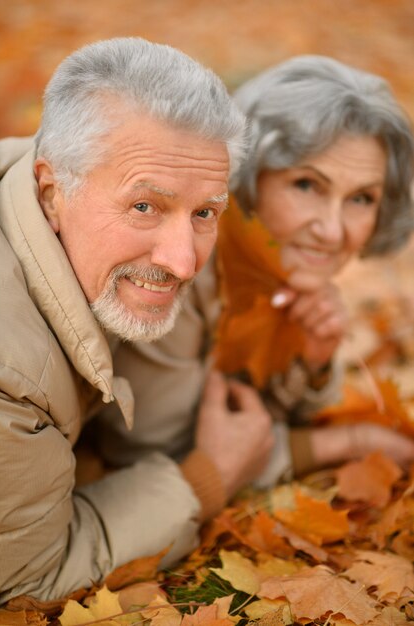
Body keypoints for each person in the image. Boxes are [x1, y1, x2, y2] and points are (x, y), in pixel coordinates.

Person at [0, 37, 278, 604]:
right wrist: (207, 479)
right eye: (144, 206)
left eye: (204, 213)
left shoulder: (44, 182)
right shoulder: (8, 369)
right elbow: (25, 580)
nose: (182, 261)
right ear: (53, 193)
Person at [96, 55, 414, 508]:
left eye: (361, 198)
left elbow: (264, 414)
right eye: (307, 185)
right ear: (249, 175)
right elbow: (150, 452)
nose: (333, 229)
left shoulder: (282, 276)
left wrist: (314, 359)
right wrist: (338, 444)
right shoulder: (181, 269)